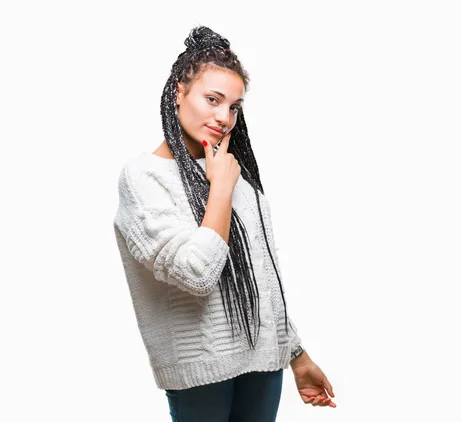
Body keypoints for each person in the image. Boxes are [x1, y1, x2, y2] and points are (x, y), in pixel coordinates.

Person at [112, 25, 336, 421]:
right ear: (178, 91)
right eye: (212, 99)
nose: (223, 117)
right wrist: (220, 190)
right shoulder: (143, 177)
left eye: (233, 106)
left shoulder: (236, 176)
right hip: (202, 374)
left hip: (265, 365)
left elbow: (264, 280)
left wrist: (297, 356)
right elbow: (196, 274)